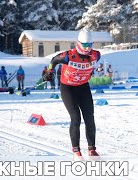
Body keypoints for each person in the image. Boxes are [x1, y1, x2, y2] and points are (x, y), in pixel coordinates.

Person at [47, 28, 101, 160]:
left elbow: (90, 67)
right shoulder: (68, 55)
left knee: (90, 118)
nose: (88, 48)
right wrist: (49, 72)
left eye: (90, 45)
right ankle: (76, 151)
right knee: (76, 118)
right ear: (78, 43)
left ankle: (92, 149)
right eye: (85, 45)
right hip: (68, 88)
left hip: (83, 87)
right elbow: (54, 60)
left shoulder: (96, 55)